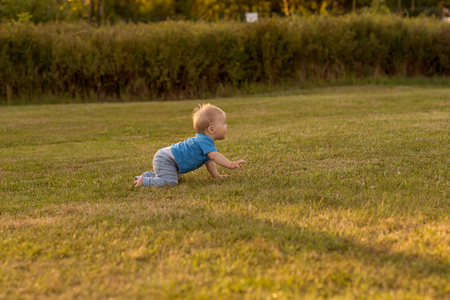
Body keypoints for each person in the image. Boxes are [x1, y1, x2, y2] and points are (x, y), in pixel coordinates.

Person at [134, 103, 247, 187]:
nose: (226, 126)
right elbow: (215, 156)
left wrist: (215, 176)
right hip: (166, 159)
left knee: (174, 177)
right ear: (211, 129)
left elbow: (209, 160)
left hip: (167, 158)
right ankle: (144, 181)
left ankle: (142, 177)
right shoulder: (204, 141)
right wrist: (231, 164)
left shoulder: (204, 141)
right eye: (223, 123)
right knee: (171, 182)